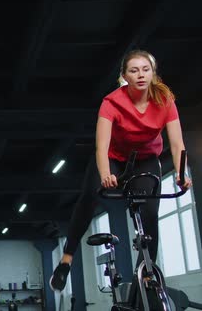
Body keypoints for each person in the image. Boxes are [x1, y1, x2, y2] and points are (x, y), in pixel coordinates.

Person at [49, 50, 193, 291]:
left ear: (152, 73)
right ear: (124, 75)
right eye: (134, 70)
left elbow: (177, 144)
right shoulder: (112, 102)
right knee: (89, 196)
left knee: (149, 213)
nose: (141, 75)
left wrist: (181, 173)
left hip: (146, 160)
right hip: (114, 157)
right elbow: (101, 146)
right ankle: (66, 259)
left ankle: (146, 276)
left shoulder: (165, 100)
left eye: (145, 70)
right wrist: (105, 174)